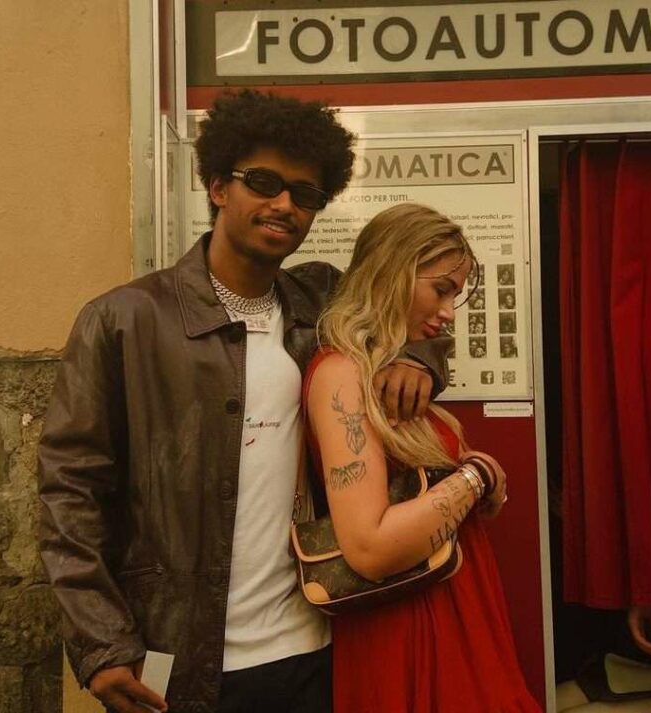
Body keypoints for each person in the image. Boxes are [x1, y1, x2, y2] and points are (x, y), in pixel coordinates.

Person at [37, 91, 449, 713]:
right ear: (217, 186)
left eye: (304, 193)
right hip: (172, 656)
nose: (284, 204)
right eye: (262, 182)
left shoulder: (322, 305)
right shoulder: (125, 320)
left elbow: (409, 317)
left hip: (311, 646)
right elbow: (70, 492)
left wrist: (417, 359)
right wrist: (101, 644)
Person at [304, 203, 541, 712]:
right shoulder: (342, 375)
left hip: (450, 613)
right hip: (412, 628)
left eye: (455, 295)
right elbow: (370, 547)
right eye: (441, 290)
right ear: (392, 273)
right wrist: (476, 476)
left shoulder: (391, 369)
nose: (449, 313)